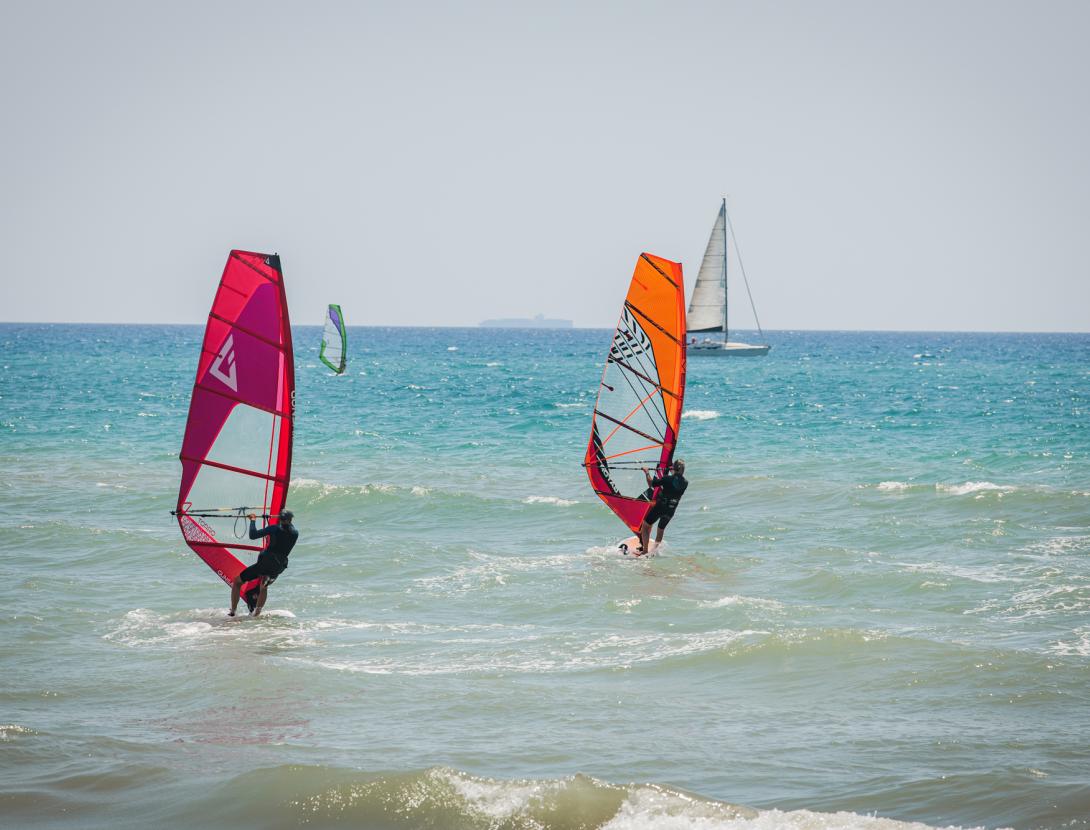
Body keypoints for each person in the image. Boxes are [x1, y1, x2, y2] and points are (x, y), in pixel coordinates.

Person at [228, 510, 298, 617]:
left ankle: (233, 611)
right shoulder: (295, 533)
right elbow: (283, 533)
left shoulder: (274, 528)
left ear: (279, 519)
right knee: (264, 586)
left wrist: (253, 520)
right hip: (278, 566)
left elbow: (253, 535)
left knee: (237, 582)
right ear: (290, 519)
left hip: (265, 564)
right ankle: (257, 613)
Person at [637, 459, 688, 554]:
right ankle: (654, 551)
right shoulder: (685, 483)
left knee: (646, 525)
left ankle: (645, 551)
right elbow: (676, 480)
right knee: (660, 530)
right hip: (671, 510)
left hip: (660, 507)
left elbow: (651, 484)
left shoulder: (666, 478)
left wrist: (647, 472)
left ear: (674, 468)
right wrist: (673, 470)